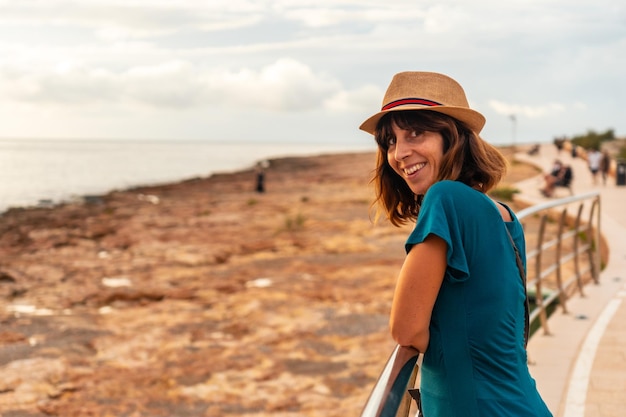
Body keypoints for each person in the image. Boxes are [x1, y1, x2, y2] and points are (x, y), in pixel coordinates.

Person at [359, 71, 552, 416]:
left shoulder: (445, 198)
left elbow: (406, 327)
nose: (399, 153)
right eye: (390, 141)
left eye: (415, 133)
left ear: (453, 137)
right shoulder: (504, 215)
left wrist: (447, 345)